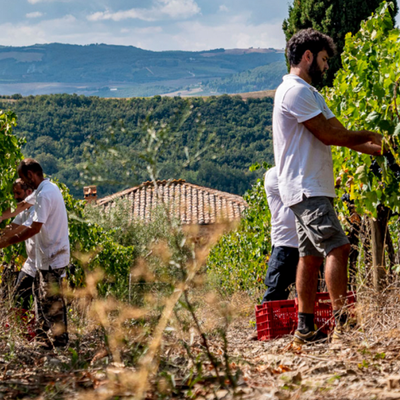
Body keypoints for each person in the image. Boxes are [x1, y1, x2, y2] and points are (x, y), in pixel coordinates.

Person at [273, 28, 382, 344]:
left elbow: (343, 133)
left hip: (309, 186)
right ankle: (343, 321)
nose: (325, 66)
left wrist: (381, 150)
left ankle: (305, 327)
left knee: (310, 257)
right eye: (322, 58)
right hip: (306, 186)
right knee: (339, 246)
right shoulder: (294, 91)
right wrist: (371, 134)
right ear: (307, 56)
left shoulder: (310, 94)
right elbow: (329, 136)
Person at [0, 158, 70, 348]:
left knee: (52, 302)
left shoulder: (45, 195)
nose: (23, 181)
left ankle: (61, 343)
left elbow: (34, 229)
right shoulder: (42, 191)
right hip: (44, 257)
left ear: (30, 175)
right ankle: (45, 340)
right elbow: (20, 208)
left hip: (53, 256)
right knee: (41, 299)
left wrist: (6, 242)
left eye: (23, 177)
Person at [261, 166, 299, 303]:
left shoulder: (302, 172)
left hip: (308, 243)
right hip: (285, 244)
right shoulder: (275, 174)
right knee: (276, 294)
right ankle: (262, 325)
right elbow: (298, 192)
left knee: (308, 294)